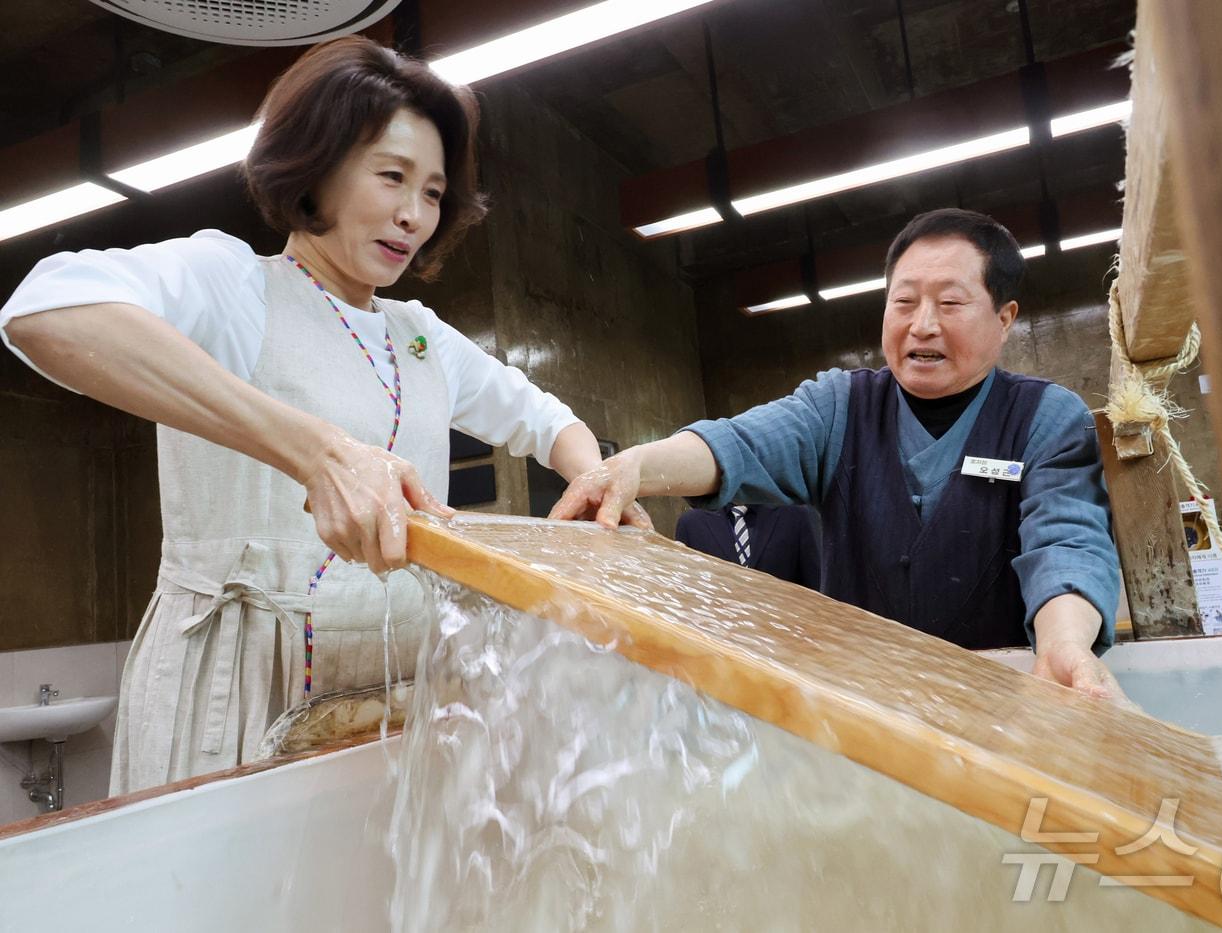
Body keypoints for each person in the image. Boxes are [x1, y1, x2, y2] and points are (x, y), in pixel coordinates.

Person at [0, 37, 646, 792]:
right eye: (391, 177)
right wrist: (313, 451)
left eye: (433, 193)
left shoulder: (422, 335)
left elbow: (542, 417)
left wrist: (592, 475)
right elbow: (45, 310)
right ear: (319, 166)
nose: (413, 215)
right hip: (236, 692)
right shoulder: (237, 286)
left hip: (395, 688)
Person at [552, 208, 1125, 701]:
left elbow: (1067, 543)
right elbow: (743, 443)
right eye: (904, 301)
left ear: (1004, 319)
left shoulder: (1047, 418)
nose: (922, 325)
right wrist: (632, 467)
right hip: (862, 711)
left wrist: (1064, 644)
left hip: (1001, 700)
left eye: (950, 302)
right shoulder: (840, 406)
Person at [675, 503, 821, 589]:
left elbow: (816, 588)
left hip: (784, 631)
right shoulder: (692, 524)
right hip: (716, 633)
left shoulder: (796, 516)